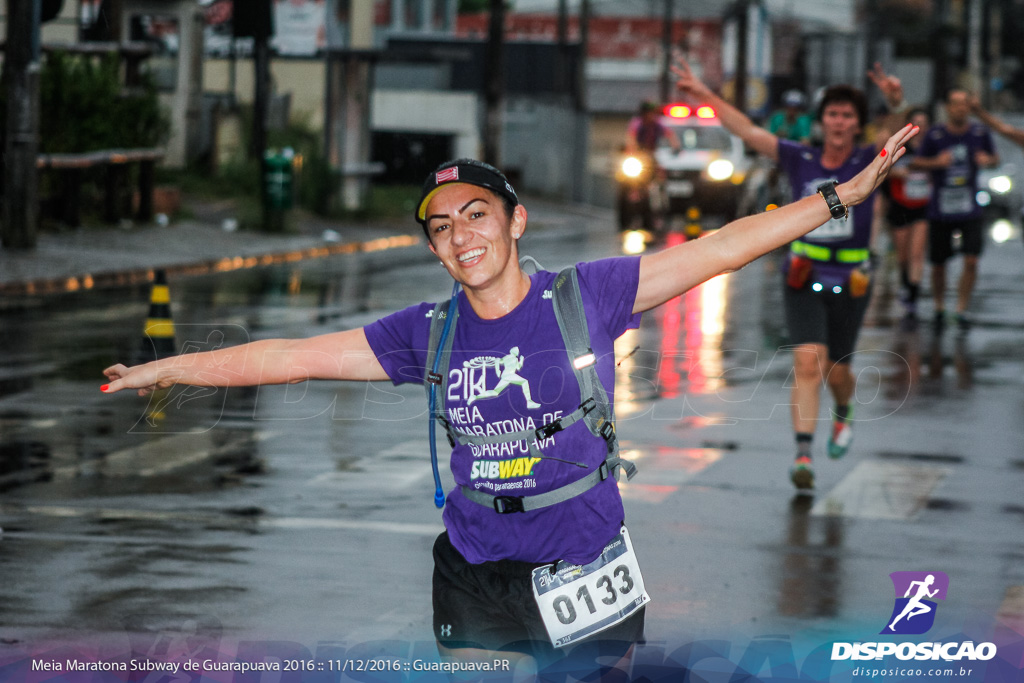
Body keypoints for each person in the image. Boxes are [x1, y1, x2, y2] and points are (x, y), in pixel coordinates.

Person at [101, 129, 917, 670]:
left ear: (516, 221)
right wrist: (170, 367)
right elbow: (290, 357)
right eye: (442, 226)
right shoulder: (425, 330)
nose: (461, 235)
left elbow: (723, 247)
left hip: (585, 569)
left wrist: (842, 195)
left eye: (477, 214)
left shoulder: (585, 295)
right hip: (475, 570)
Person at [674, 57, 905, 490]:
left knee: (838, 369)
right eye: (832, 114)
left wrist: (895, 101)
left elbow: (896, 133)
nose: (839, 121)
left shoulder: (866, 158)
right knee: (806, 361)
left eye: (847, 115)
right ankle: (803, 453)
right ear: (822, 122)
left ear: (857, 124)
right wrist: (704, 95)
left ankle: (843, 412)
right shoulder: (800, 158)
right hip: (803, 271)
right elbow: (747, 131)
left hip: (852, 276)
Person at [910, 87, 999, 332]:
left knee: (971, 260)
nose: (960, 108)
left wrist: (988, 160)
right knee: (939, 264)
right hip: (941, 207)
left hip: (970, 207)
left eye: (964, 104)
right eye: (956, 103)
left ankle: (962, 309)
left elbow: (995, 158)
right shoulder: (936, 134)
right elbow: (915, 162)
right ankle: (939, 307)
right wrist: (936, 163)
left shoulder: (979, 132)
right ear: (947, 107)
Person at [881, 107, 932, 323]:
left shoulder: (932, 149)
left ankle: (912, 296)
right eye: (916, 124)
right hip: (900, 206)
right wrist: (898, 172)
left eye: (924, 124)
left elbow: (943, 167)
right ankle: (905, 284)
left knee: (917, 253)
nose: (921, 129)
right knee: (903, 257)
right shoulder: (901, 148)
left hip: (923, 207)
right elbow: (882, 169)